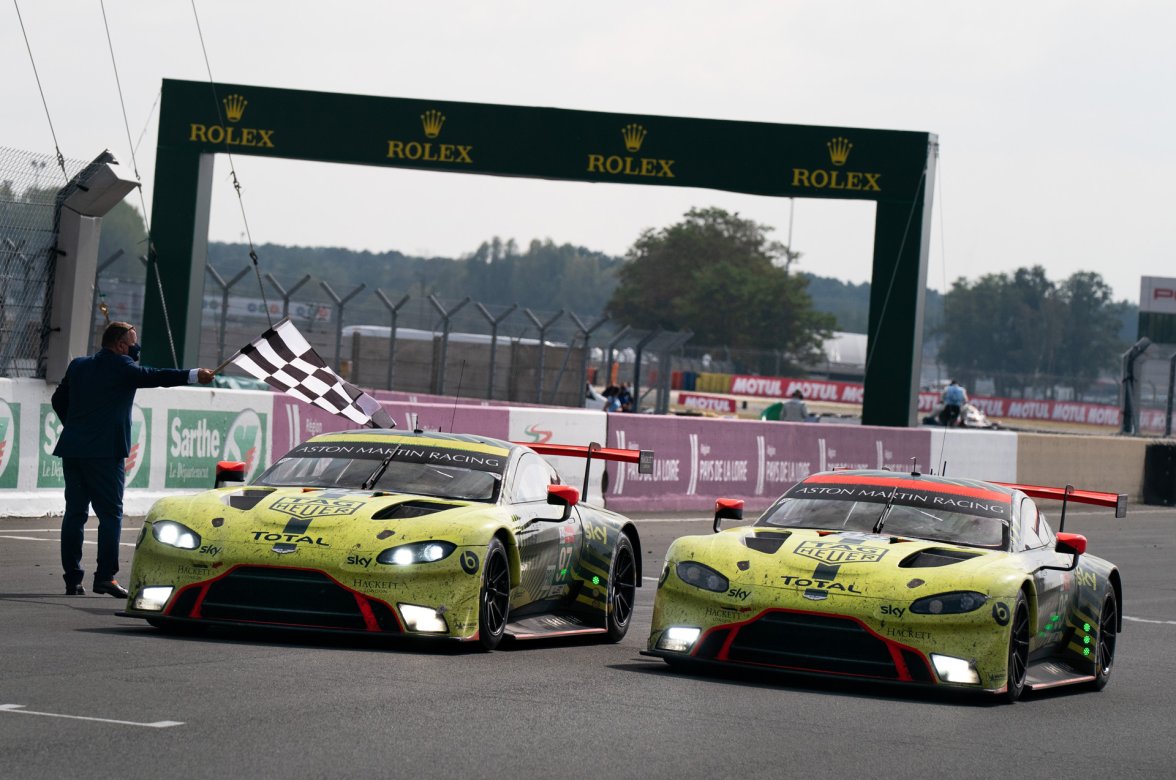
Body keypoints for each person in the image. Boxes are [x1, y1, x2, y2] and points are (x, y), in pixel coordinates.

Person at [51, 322, 215, 597]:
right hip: (105, 453)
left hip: (73, 449)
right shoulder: (122, 367)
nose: (135, 347)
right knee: (111, 514)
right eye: (132, 342)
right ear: (120, 346)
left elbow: (58, 399)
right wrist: (195, 375)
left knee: (75, 514)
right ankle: (105, 577)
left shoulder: (78, 365)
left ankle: (73, 579)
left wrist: (75, 427)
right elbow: (157, 376)